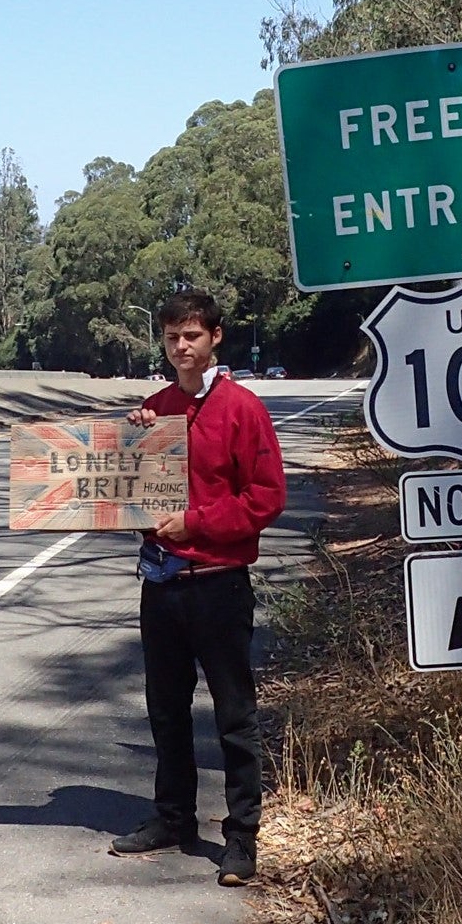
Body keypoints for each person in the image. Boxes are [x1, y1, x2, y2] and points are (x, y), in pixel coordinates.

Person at [110, 288, 286, 886]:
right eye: (171, 337)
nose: (181, 347)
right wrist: (134, 441)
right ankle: (174, 817)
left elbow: (265, 497)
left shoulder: (242, 409)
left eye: (191, 336)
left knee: (234, 715)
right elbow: (130, 492)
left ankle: (241, 839)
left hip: (218, 582)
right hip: (160, 583)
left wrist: (199, 523)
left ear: (215, 339)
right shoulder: (156, 408)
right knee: (165, 710)